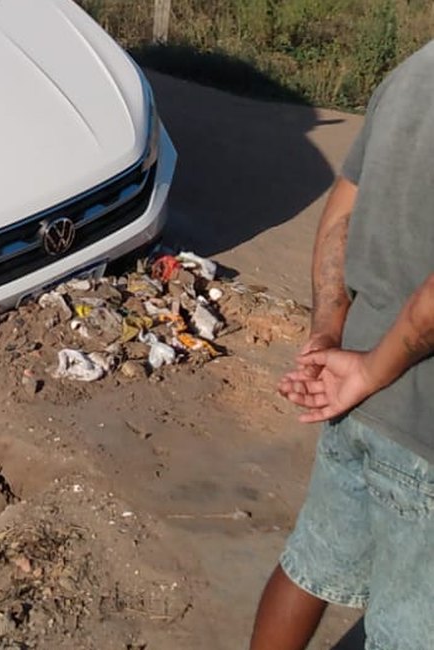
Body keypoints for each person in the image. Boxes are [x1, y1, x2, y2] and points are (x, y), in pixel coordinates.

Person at [248, 41, 434, 650]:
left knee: (310, 568)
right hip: (418, 424)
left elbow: (340, 217)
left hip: (356, 402)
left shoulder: (414, 70)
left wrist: (330, 330)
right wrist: (372, 370)